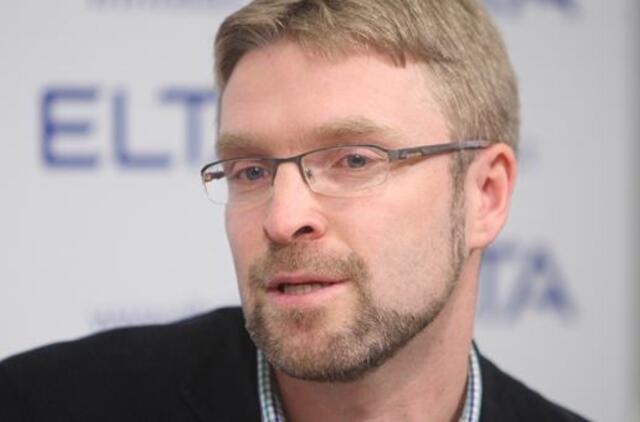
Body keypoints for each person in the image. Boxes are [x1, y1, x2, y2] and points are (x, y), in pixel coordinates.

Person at [0, 0, 587, 421]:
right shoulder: (39, 403)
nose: (282, 219)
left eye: (354, 161)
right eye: (251, 171)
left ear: (486, 194)